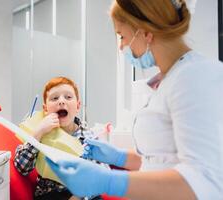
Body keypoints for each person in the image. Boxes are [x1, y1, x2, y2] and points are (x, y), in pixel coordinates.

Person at [46, 0, 223, 199]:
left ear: (145, 31)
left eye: (122, 36)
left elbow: (204, 183)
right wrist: (119, 157)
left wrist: (109, 181)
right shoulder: (170, 79)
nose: (121, 46)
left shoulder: (193, 77)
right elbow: (161, 161)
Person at [14, 76, 102, 200]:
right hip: (50, 193)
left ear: (78, 106)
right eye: (55, 98)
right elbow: (22, 168)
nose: (61, 101)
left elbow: (97, 177)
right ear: (45, 109)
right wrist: (38, 132)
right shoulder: (40, 131)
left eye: (68, 97)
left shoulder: (89, 137)